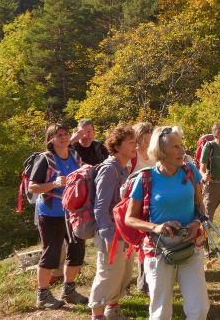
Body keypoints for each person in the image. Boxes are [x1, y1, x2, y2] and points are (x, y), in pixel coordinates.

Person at [125, 126, 210, 320]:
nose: (182, 151)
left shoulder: (190, 171)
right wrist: (156, 227)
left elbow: (200, 205)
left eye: (182, 145)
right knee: (160, 311)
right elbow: (129, 218)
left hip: (190, 246)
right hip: (158, 250)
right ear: (161, 152)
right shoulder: (145, 178)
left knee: (199, 308)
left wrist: (197, 222)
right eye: (175, 147)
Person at [28, 123, 89, 309]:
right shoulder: (45, 159)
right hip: (50, 214)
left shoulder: (75, 156)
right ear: (51, 140)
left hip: (73, 212)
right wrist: (54, 184)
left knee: (77, 251)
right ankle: (42, 295)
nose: (63, 137)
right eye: (58, 135)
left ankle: (69, 290)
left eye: (65, 134)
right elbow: (32, 187)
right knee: (51, 254)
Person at [89, 125, 137, 320]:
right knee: (107, 274)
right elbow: (100, 207)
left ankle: (112, 309)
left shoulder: (122, 168)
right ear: (117, 146)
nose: (135, 146)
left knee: (122, 273)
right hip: (111, 233)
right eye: (131, 142)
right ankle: (97, 315)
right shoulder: (109, 170)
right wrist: (108, 236)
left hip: (123, 232)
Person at [130, 121, 156, 294]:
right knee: (139, 242)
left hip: (153, 203)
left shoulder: (155, 153)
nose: (150, 135)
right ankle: (141, 282)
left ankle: (146, 281)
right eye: (147, 132)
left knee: (148, 241)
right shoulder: (133, 155)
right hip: (136, 204)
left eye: (151, 132)